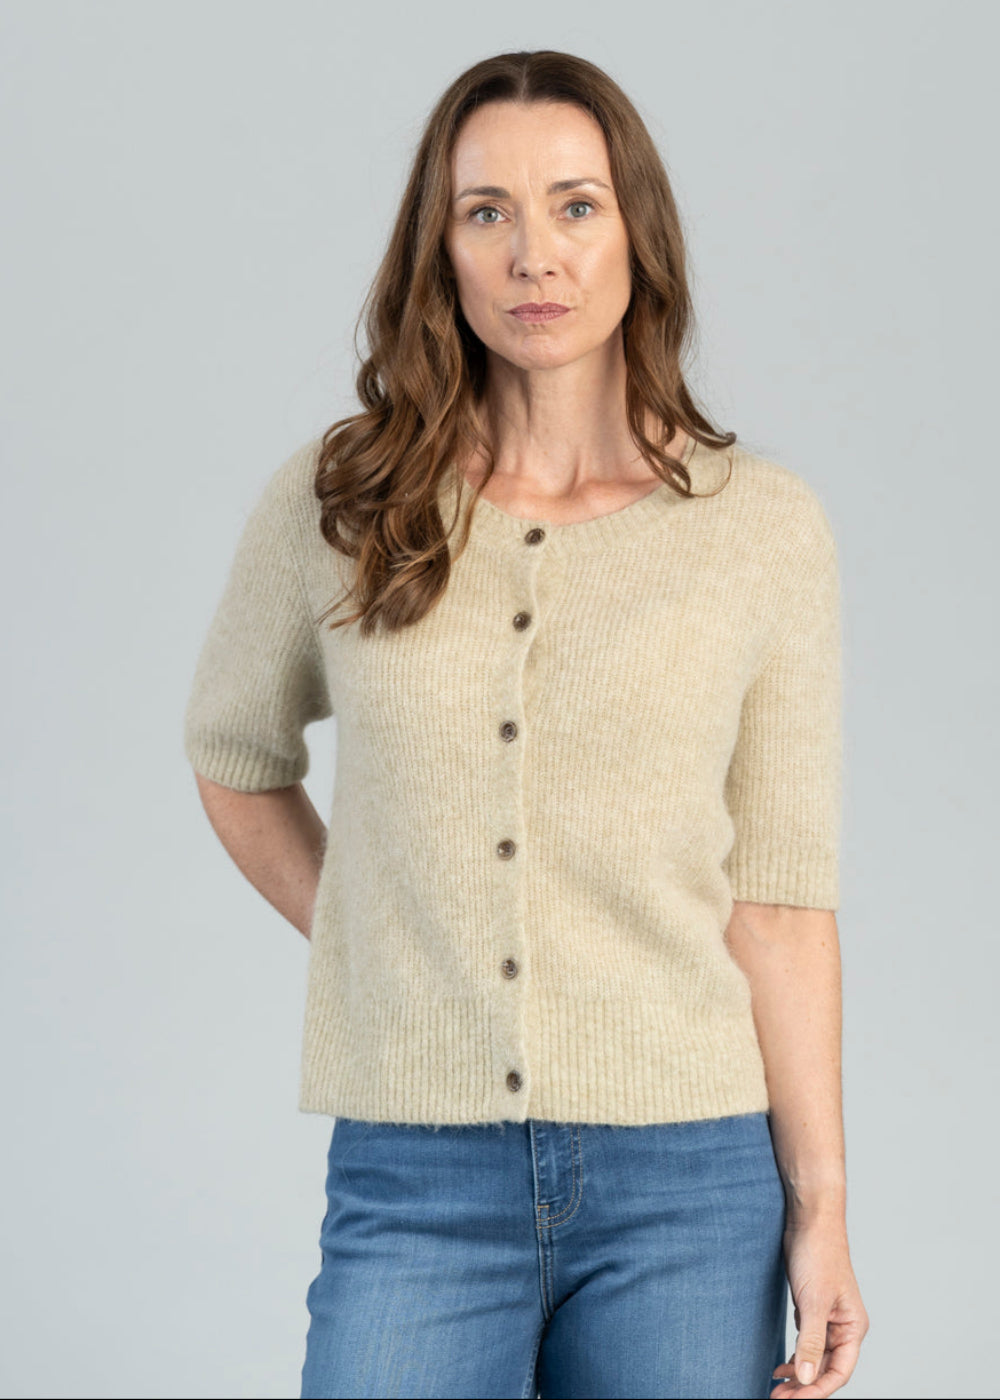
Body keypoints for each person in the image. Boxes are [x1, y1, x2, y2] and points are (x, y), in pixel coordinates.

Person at [183, 48, 869, 1400]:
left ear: (637, 235)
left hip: (690, 1179)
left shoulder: (761, 530)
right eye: (485, 211)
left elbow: (783, 904)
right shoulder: (344, 499)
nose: (532, 254)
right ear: (438, 250)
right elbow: (233, 756)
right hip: (418, 1170)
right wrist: (389, 937)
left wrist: (824, 1209)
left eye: (576, 206)